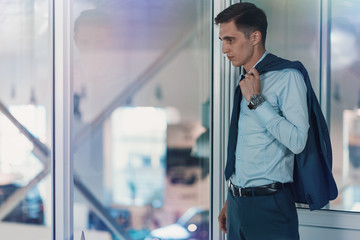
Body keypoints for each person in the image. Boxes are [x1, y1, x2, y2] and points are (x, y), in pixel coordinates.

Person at [215, 3, 310, 239]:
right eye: (222, 41)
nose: (225, 49)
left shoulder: (288, 77)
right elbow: (245, 146)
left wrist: (257, 102)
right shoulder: (244, 80)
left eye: (230, 40)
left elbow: (298, 141)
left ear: (255, 37)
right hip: (237, 204)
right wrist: (231, 198)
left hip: (271, 206)